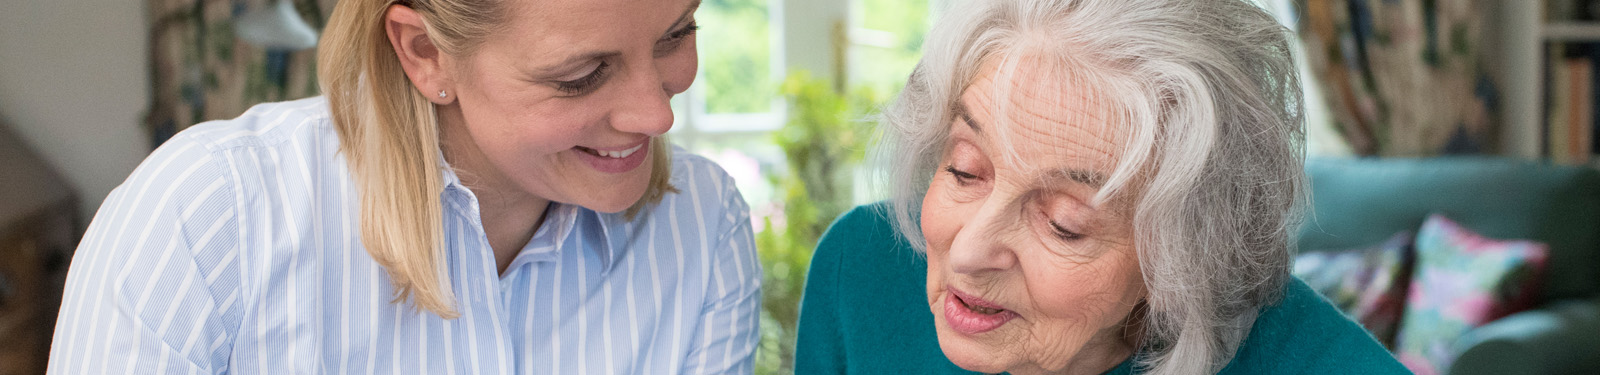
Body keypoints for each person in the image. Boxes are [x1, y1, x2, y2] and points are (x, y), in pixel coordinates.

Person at [47, 0, 761, 373]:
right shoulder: (207, 221)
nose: (657, 112)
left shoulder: (701, 226)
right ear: (424, 52)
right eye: (580, 75)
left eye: (676, 33)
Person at [794, 0, 1410, 374]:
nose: (969, 251)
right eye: (964, 169)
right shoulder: (862, 270)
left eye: (1065, 223)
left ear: (1184, 260)